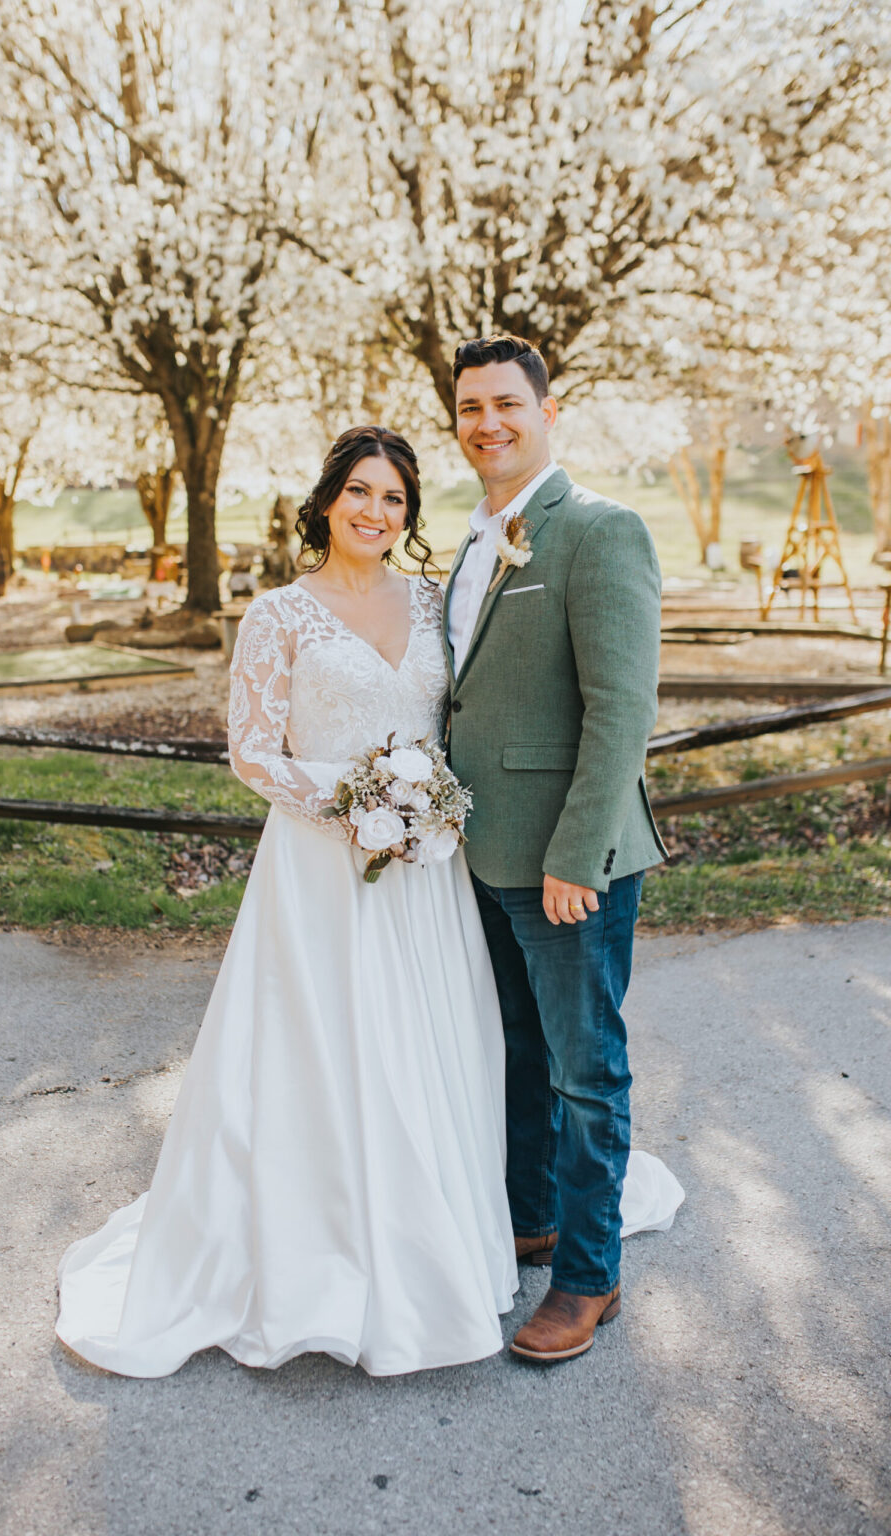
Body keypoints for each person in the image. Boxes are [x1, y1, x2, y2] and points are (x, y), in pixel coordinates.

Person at [55, 422, 680, 1380]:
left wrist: (423, 810)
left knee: (444, 1046)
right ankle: (326, 1247)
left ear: (408, 514)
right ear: (327, 500)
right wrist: (357, 806)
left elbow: (474, 716)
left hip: (429, 878)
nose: (376, 513)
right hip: (320, 873)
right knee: (326, 1051)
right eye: (360, 493)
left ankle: (465, 1223)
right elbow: (252, 752)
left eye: (394, 499)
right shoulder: (278, 615)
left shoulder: (439, 604)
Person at [444, 334, 674, 1363]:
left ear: (546, 410)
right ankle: (531, 1220)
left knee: (586, 1070)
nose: (485, 423)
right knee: (518, 1053)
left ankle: (587, 1276)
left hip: (567, 864)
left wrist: (577, 853)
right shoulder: (471, 540)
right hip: (480, 856)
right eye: (466, 409)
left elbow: (620, 709)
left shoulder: (596, 531)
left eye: (504, 403)